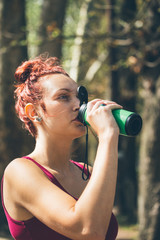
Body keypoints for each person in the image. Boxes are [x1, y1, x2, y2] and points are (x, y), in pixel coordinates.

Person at [1, 55, 122, 240]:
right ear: (34, 112)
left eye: (80, 96)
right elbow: (88, 230)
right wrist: (107, 137)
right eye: (63, 97)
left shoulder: (88, 172)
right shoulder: (19, 171)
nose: (79, 105)